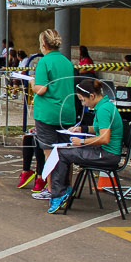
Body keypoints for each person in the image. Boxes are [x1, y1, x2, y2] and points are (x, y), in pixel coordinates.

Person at [44, 78, 124, 213]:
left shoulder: (103, 110)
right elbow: (99, 128)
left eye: (83, 100)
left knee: (61, 153)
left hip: (107, 154)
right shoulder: (105, 106)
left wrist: (81, 142)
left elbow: (104, 138)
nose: (83, 104)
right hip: (105, 151)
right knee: (66, 149)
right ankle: (65, 189)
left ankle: (58, 194)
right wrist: (83, 129)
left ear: (92, 96)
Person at [28, 29, 76, 198]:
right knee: (66, 152)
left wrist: (32, 82)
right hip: (67, 111)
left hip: (48, 113)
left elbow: (41, 89)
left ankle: (51, 189)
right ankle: (68, 187)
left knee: (49, 153)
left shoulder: (44, 62)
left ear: (43, 44)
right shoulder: (67, 62)